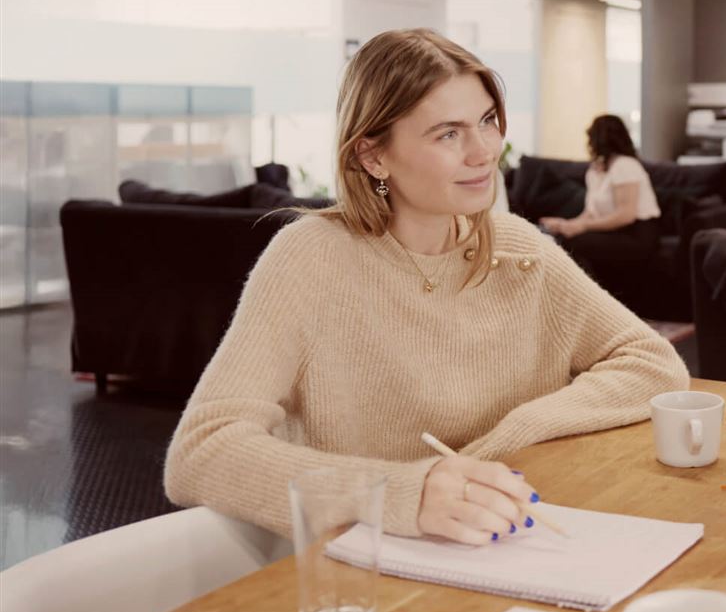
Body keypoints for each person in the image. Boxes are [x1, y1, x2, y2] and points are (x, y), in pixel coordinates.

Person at [164, 29, 689, 545]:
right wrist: (396, 494)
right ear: (373, 155)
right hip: (365, 569)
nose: (484, 152)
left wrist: (514, 435)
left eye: (487, 121)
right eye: (448, 133)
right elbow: (202, 451)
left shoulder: (515, 246)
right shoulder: (311, 258)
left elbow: (652, 361)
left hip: (498, 538)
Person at [539, 114, 661, 285]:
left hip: (636, 234)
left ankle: (591, 299)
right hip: (613, 231)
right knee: (560, 238)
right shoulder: (596, 171)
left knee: (573, 243)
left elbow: (626, 215)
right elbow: (591, 213)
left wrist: (582, 227)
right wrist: (566, 224)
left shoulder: (625, 165)